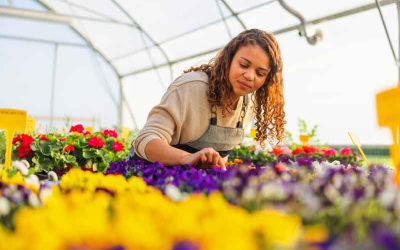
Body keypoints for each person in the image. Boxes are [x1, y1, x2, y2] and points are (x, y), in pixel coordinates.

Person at [131, 29, 285, 168]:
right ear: (229, 60)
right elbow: (145, 140)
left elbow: (218, 159)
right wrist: (187, 158)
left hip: (194, 186)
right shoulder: (191, 87)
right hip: (150, 176)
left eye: (260, 73)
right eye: (244, 65)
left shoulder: (248, 104)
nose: (250, 76)